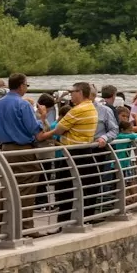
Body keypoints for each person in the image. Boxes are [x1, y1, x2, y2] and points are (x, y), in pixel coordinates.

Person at [0, 73, 46, 235]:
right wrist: (41, 118)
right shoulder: (23, 105)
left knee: (7, 186)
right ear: (21, 86)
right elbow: (33, 129)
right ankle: (25, 226)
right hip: (22, 149)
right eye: (26, 85)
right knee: (26, 187)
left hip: (4, 149)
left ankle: (3, 225)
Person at [47, 81, 101, 222]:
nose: (70, 95)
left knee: (66, 190)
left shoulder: (77, 110)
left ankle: (65, 223)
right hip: (86, 152)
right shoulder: (91, 108)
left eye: (72, 92)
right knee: (86, 188)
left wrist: (47, 135)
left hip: (73, 154)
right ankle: (83, 219)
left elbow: (59, 129)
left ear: (80, 93)